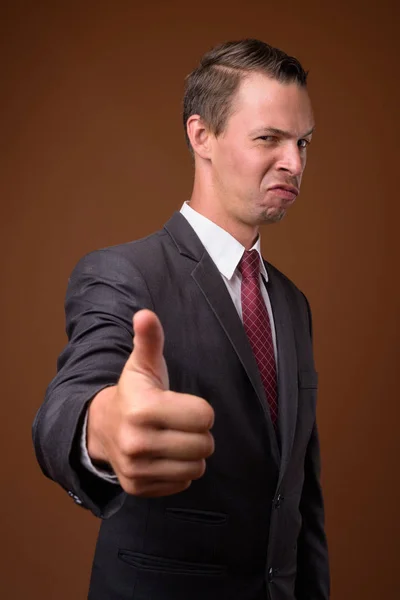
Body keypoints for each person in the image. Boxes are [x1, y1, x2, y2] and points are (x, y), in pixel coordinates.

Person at [33, 39, 330, 600]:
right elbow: (68, 405)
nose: (294, 161)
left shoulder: (292, 304)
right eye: (269, 138)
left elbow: (298, 497)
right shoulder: (123, 274)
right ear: (202, 137)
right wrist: (100, 430)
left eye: (303, 142)